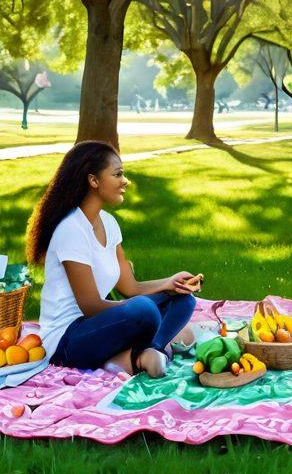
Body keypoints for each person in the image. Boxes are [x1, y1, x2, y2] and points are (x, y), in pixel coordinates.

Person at [27, 141, 202, 378]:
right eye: (117, 174)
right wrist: (138, 308)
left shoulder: (109, 223)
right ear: (93, 180)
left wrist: (170, 284)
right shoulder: (72, 229)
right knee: (144, 310)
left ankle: (145, 353)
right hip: (68, 340)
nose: (125, 181)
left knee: (184, 301)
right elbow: (90, 306)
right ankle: (142, 355)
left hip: (102, 323)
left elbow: (129, 287)